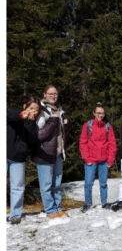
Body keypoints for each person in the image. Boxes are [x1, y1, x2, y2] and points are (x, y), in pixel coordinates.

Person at [33, 86, 71, 219]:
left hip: (58, 153)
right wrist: (54, 120)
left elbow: (60, 133)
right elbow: (39, 135)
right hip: (44, 153)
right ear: (44, 94)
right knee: (46, 184)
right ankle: (50, 210)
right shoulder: (42, 110)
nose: (53, 96)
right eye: (50, 93)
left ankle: (58, 207)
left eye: (55, 94)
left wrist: (66, 126)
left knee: (57, 184)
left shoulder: (59, 110)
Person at [7, 97, 40, 225]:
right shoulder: (15, 114)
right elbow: (9, 115)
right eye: (31, 108)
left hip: (19, 159)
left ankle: (15, 215)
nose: (33, 112)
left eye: (36, 110)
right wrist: (22, 115)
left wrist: (30, 123)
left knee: (18, 187)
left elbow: (32, 140)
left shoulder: (32, 124)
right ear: (25, 105)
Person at [78, 103, 117, 212]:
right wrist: (87, 158)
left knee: (103, 183)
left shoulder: (108, 126)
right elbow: (83, 142)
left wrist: (110, 159)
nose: (100, 115)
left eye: (102, 113)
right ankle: (88, 203)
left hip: (104, 160)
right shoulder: (88, 125)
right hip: (91, 160)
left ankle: (104, 202)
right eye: (98, 113)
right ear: (94, 113)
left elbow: (112, 144)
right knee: (88, 183)